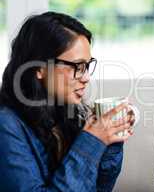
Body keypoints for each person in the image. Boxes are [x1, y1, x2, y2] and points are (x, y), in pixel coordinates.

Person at [0, 11, 134, 191]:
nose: (86, 77)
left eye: (87, 66)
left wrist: (110, 138)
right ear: (39, 68)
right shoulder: (6, 125)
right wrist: (92, 141)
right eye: (77, 67)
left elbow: (101, 188)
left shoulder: (63, 113)